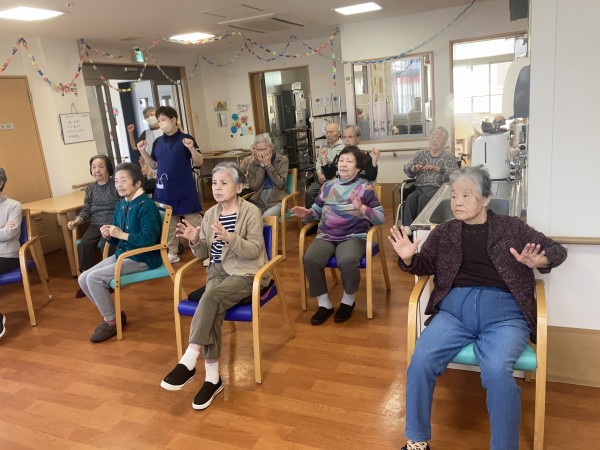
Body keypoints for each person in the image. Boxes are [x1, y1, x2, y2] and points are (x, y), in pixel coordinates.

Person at [389, 165, 567, 450]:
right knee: (420, 359)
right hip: (453, 312)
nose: (457, 202)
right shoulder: (444, 232)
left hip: (505, 315)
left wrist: (539, 261)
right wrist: (409, 258)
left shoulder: (512, 227)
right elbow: (424, 266)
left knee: (496, 370)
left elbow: (557, 251)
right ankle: (417, 442)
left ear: (486, 198)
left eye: (466, 195)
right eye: (453, 195)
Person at [160, 162, 269, 410]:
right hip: (217, 271)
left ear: (239, 187)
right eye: (214, 183)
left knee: (209, 299)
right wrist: (194, 240)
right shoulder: (210, 214)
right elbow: (203, 253)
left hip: (246, 272)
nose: (217, 188)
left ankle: (189, 360)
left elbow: (254, 251)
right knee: (213, 309)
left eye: (224, 183)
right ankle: (212, 379)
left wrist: (230, 238)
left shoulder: (251, 212)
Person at [292, 146, 385, 325]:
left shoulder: (364, 188)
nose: (343, 164)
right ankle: (324, 304)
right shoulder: (328, 186)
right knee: (310, 259)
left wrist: (362, 208)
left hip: (353, 236)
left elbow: (380, 217)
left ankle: (348, 301)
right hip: (326, 235)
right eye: (341, 160)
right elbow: (316, 210)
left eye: (349, 161)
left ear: (358, 167)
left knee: (348, 260)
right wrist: (307, 213)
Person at [78, 163, 162, 343]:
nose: (119, 185)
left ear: (137, 183)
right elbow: (118, 240)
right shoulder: (121, 205)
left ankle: (111, 322)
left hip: (144, 257)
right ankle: (113, 315)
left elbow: (149, 239)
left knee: (94, 278)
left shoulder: (146, 205)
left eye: (123, 180)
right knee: (83, 278)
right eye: (116, 181)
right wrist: (109, 235)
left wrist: (121, 234)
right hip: (124, 254)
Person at [136, 106, 203, 263]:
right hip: (165, 190)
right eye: (159, 120)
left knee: (194, 222)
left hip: (184, 190)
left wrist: (191, 148)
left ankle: (207, 250)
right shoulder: (158, 142)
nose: (161, 123)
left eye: (163, 119)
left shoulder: (186, 138)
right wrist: (143, 152)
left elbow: (199, 161)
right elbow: (154, 166)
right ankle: (172, 252)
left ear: (173, 120)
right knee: (169, 225)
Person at [68, 155, 121, 298]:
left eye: (101, 166)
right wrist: (77, 221)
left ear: (108, 168)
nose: (97, 170)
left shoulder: (115, 185)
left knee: (106, 243)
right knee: (84, 244)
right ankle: (84, 279)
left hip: (112, 223)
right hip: (95, 224)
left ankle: (108, 279)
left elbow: (122, 206)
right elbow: (86, 209)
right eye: (93, 167)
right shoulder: (90, 188)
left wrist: (115, 224)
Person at [401, 127, 457, 233]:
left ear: (445, 142)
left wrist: (438, 169)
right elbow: (406, 169)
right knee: (411, 198)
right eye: (433, 137)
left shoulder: (449, 157)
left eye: (438, 137)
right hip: (420, 187)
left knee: (424, 198)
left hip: (439, 190)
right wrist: (413, 169)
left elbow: (456, 175)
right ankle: (407, 228)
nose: (434, 139)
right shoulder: (420, 154)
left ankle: (421, 229)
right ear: (429, 139)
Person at [0, 167, 22, 339]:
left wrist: (4, 232)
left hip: (8, 255)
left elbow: (10, 234)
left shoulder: (13, 205)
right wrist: (2, 230)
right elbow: (4, 233)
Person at [245, 133, 289, 217]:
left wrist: (268, 165)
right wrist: (262, 166)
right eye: (258, 150)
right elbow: (254, 187)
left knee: (266, 218)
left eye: (264, 149)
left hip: (277, 201)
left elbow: (280, 184)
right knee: (248, 217)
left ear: (271, 147)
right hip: (258, 202)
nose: (262, 153)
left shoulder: (282, 160)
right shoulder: (252, 164)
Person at [304, 122, 344, 208]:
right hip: (322, 178)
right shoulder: (323, 144)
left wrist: (325, 159)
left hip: (336, 179)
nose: (328, 135)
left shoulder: (343, 146)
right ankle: (312, 214)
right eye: (327, 132)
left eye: (331, 132)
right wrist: (319, 173)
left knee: (330, 196)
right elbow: (318, 161)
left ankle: (327, 213)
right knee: (309, 193)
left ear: (338, 133)